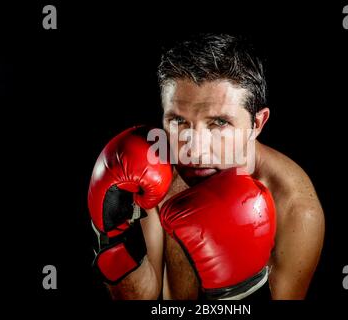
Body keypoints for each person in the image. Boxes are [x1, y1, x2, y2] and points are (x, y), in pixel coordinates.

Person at [88, 34, 325, 300]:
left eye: (219, 123)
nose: (195, 150)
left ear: (257, 124)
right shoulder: (154, 172)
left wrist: (240, 291)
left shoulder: (295, 209)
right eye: (179, 121)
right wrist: (112, 233)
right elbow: (138, 297)